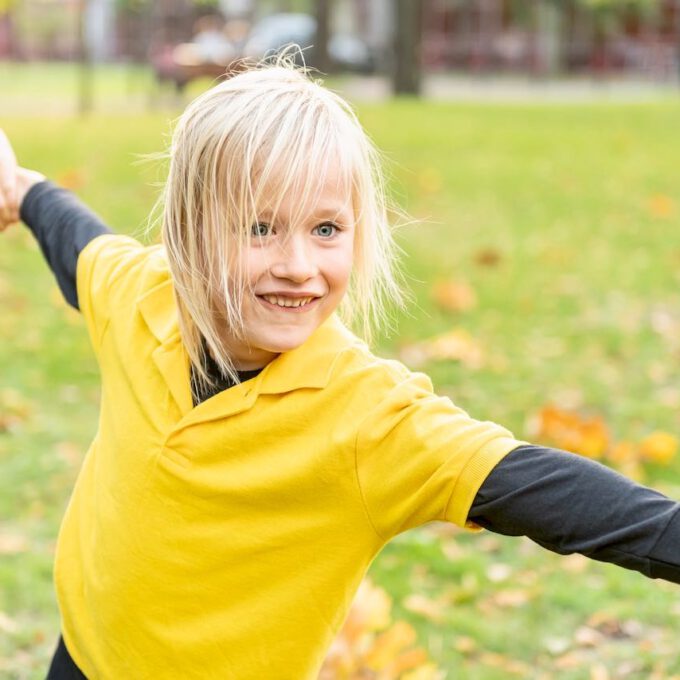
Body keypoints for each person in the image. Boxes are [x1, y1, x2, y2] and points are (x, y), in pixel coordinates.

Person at [1, 59, 678, 680]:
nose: (300, 265)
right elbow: (78, 243)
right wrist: (20, 186)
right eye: (260, 227)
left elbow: (537, 487)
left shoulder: (367, 420)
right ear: (187, 232)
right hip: (82, 654)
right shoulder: (143, 297)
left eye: (327, 229)